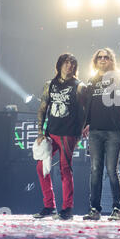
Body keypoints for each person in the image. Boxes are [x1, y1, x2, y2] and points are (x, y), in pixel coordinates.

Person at [33, 53, 86, 220]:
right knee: (41, 167)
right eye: (66, 62)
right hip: (51, 133)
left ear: (75, 67)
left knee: (65, 169)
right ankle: (49, 206)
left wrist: (78, 134)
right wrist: (41, 132)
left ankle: (67, 209)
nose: (69, 65)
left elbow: (84, 113)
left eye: (72, 63)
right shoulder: (50, 85)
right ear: (60, 65)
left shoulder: (79, 86)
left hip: (68, 134)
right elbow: (42, 108)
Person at [82, 48, 120, 221]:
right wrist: (86, 123)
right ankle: (95, 209)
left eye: (106, 57)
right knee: (94, 170)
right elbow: (88, 105)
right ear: (95, 60)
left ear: (111, 60)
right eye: (99, 57)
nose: (102, 59)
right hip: (95, 132)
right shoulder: (92, 80)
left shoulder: (118, 77)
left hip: (114, 131)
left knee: (111, 170)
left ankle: (117, 209)